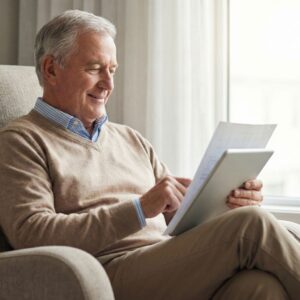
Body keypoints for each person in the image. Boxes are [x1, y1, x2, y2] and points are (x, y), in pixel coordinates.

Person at [0, 9, 299, 300]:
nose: (108, 83)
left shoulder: (130, 138)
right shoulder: (21, 141)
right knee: (251, 226)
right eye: (94, 69)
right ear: (51, 69)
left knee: (259, 286)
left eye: (112, 70)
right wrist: (140, 208)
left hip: (161, 260)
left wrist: (225, 203)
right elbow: (33, 232)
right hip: (103, 272)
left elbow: (172, 215)